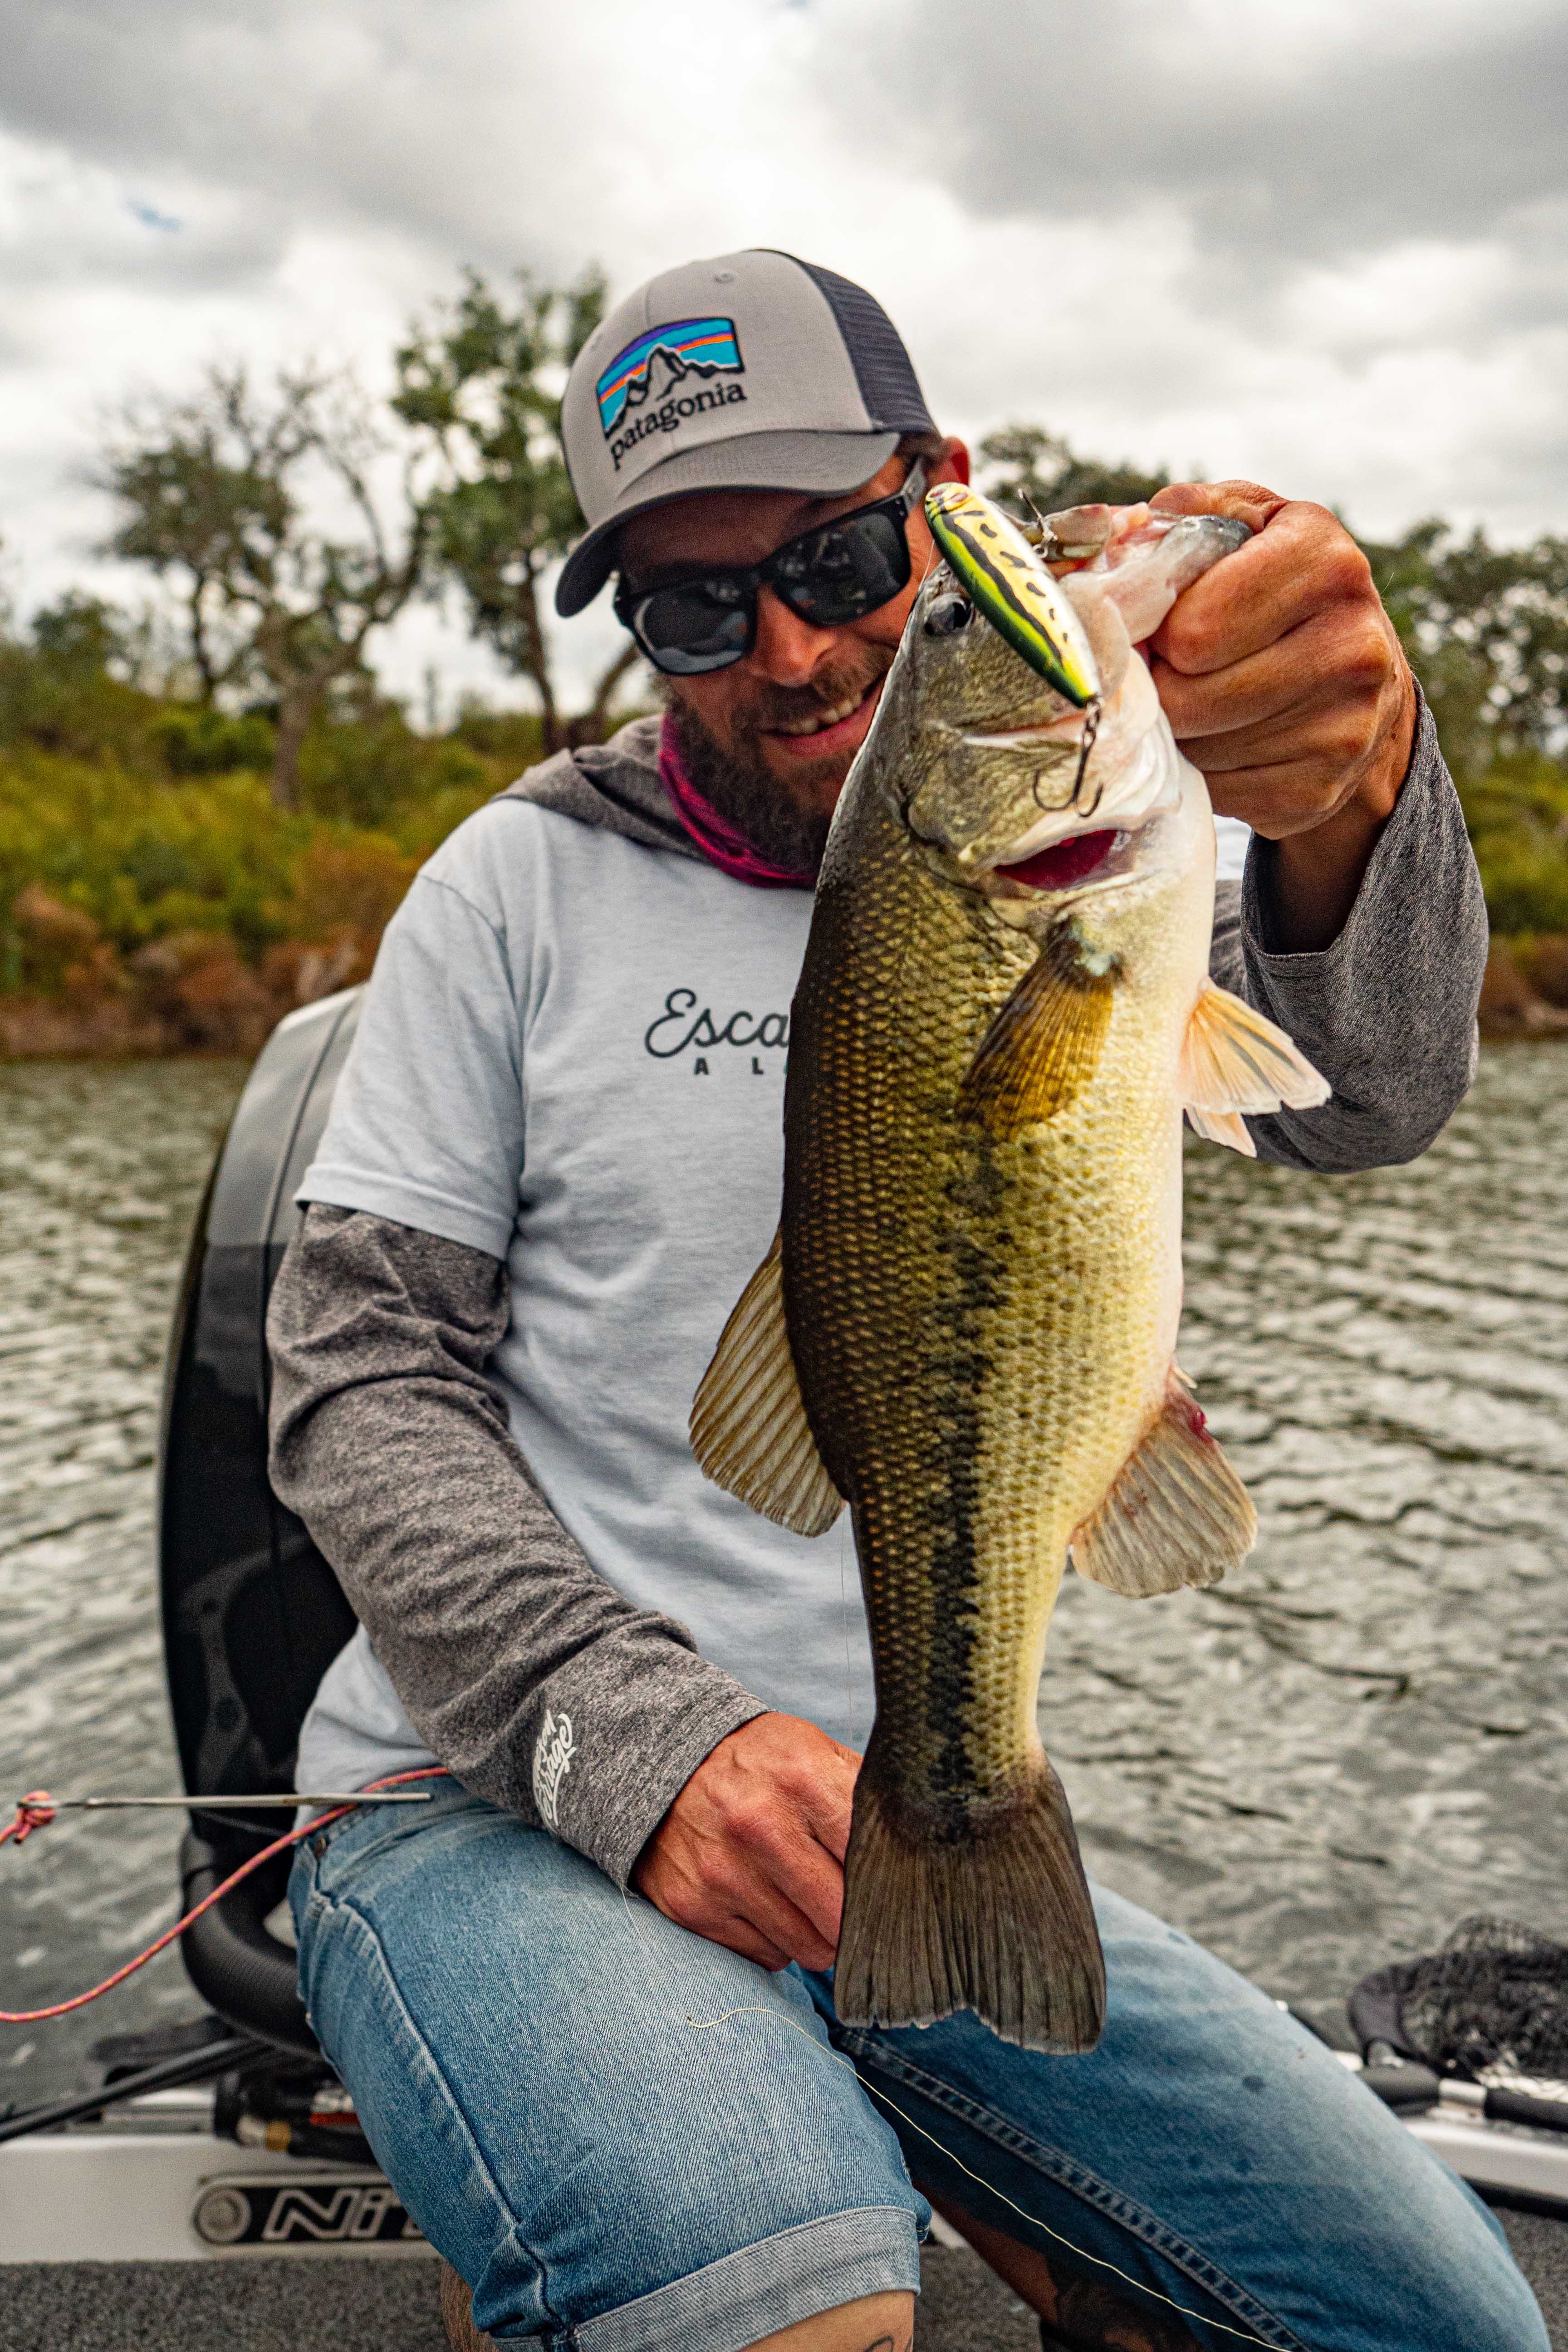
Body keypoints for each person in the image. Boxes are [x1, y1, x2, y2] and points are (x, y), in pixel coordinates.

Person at [268, 250, 1543, 2352]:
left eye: (842, 555)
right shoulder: (510, 886)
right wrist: (642, 1742)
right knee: (807, 2315)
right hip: (495, 1798)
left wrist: (1360, 795)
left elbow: (1377, 1086)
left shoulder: (1107, 840)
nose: (782, 647)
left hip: (915, 1824)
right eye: (691, 609)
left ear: (947, 495)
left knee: (1434, 2330)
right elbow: (356, 1380)